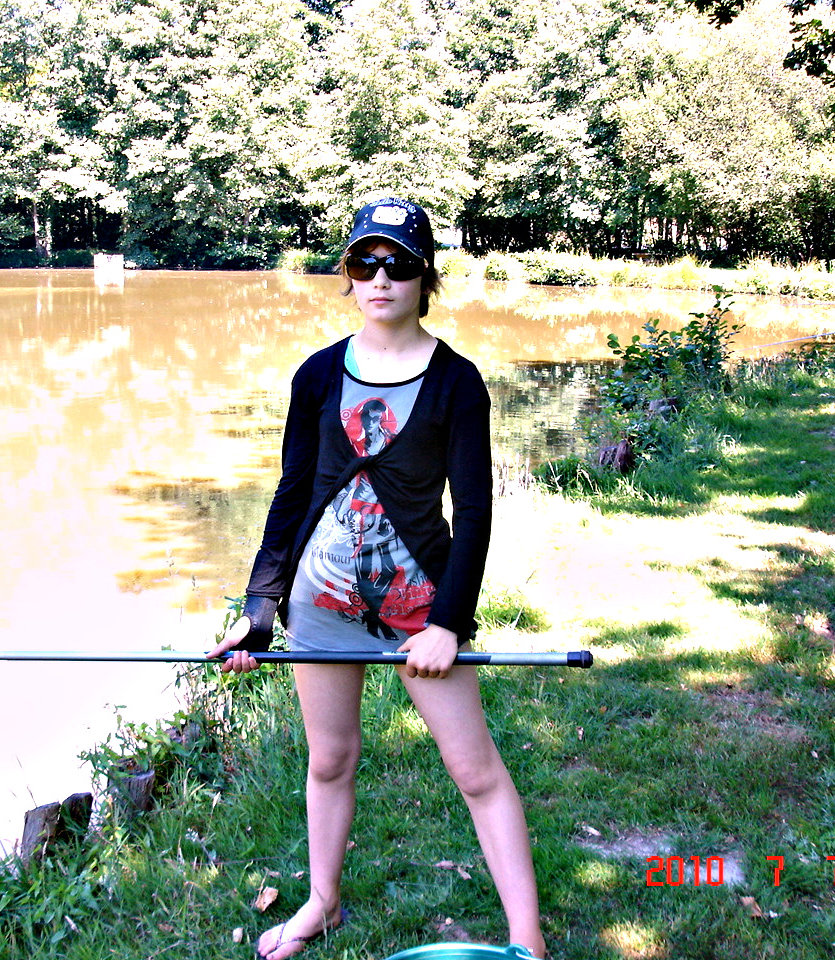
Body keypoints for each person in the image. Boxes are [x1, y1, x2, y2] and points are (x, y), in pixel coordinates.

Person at [207, 197, 546, 960]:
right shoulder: (318, 374)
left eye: (399, 263)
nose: (381, 277)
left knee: (476, 770)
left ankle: (529, 942)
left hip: (418, 605)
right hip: (319, 602)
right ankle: (321, 903)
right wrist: (260, 609)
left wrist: (448, 624)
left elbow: (477, 511)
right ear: (348, 275)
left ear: (425, 277)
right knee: (329, 760)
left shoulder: (459, 383)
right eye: (365, 262)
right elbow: (293, 493)